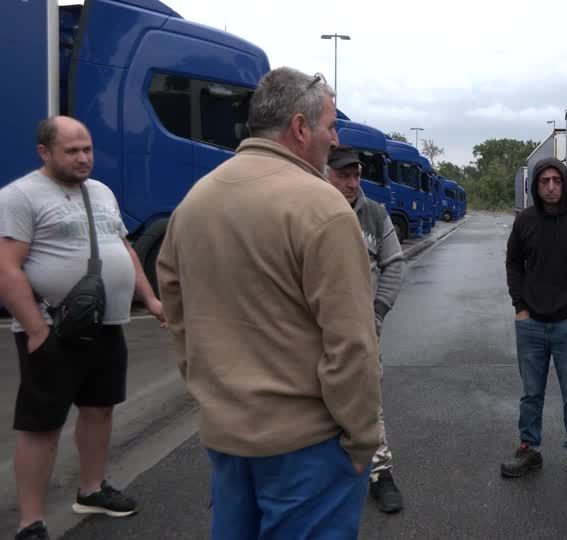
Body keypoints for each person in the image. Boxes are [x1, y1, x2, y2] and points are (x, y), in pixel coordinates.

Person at [156, 68, 382, 540]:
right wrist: (362, 440)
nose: (334, 138)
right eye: (330, 126)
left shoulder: (195, 201)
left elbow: (176, 313)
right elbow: (351, 345)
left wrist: (211, 392)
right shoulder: (323, 209)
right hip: (309, 448)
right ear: (300, 128)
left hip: (226, 438)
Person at [0, 116, 164, 540]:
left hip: (107, 324)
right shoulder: (20, 196)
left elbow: (124, 249)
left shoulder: (102, 192)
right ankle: (30, 523)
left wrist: (149, 299)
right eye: (72, 150)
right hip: (54, 328)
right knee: (42, 425)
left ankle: (91, 490)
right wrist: (36, 330)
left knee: (100, 409)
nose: (83, 158)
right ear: (44, 152)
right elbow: (7, 267)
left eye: (87, 149)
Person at [502, 157, 567, 490]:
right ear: (535, 185)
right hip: (531, 324)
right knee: (531, 394)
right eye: (544, 181)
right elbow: (513, 263)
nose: (550, 187)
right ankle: (529, 449)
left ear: (565, 183)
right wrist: (520, 307)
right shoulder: (526, 222)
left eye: (556, 181)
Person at [325, 147, 406, 514]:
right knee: (317, 403)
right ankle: (329, 475)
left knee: (368, 400)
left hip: (364, 330)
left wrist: (377, 312)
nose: (352, 183)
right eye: (343, 175)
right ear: (327, 173)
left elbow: (394, 264)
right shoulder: (313, 209)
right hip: (317, 333)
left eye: (356, 175)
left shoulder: (374, 214)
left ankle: (380, 473)